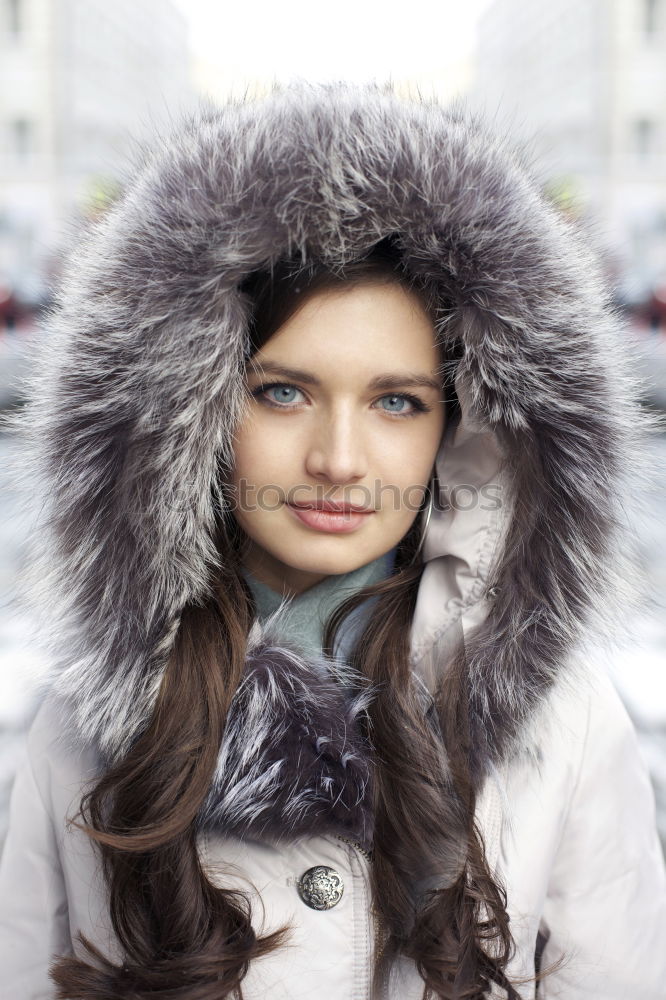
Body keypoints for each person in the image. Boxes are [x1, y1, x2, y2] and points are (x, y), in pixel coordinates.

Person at [0, 78, 664, 1000]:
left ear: (459, 429)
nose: (339, 460)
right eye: (282, 393)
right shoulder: (82, 722)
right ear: (191, 413)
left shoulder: (563, 718)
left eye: (396, 402)